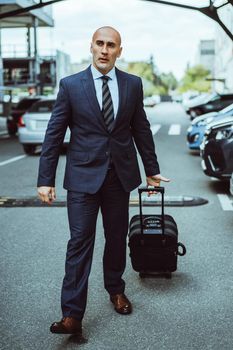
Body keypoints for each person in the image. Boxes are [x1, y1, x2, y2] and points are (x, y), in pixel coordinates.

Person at [37, 26, 170, 335]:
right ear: (91, 47)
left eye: (111, 45)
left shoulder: (132, 84)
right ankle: (72, 314)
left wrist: (151, 168)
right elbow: (54, 134)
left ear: (119, 51)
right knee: (79, 242)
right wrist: (46, 179)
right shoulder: (71, 85)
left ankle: (115, 288)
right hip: (83, 178)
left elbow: (141, 129)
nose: (105, 49)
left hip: (119, 178)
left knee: (115, 239)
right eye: (100, 43)